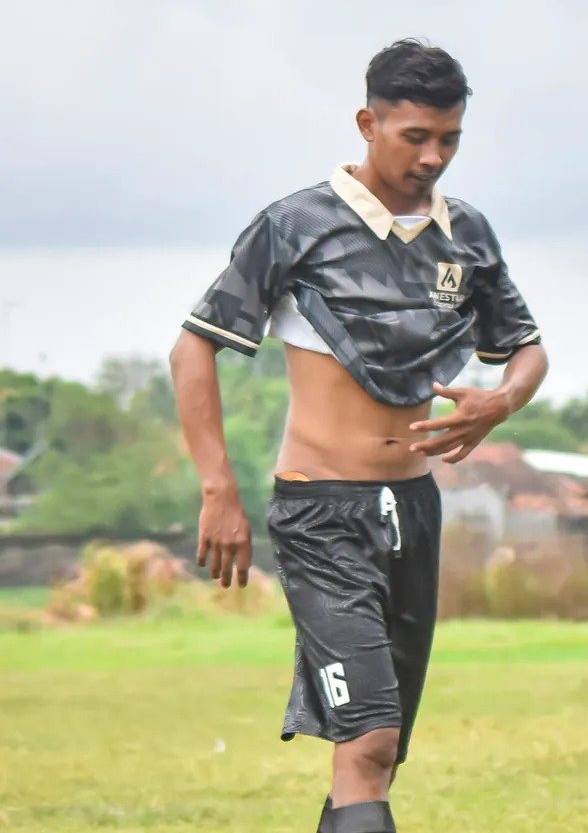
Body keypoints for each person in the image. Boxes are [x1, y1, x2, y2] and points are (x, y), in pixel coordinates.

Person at [169, 40, 549, 833]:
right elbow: (193, 346)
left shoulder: (466, 234)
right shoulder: (296, 225)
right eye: (415, 136)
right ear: (367, 123)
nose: (433, 156)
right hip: (322, 514)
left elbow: (527, 347)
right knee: (368, 735)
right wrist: (219, 491)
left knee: (378, 751)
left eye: (449, 139)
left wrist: (502, 401)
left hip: (413, 511)